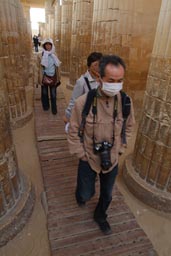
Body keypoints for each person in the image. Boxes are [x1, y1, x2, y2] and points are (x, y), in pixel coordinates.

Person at [67, 55, 135, 235]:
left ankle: (101, 216)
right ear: (99, 79)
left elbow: (128, 127)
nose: (116, 85)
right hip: (88, 157)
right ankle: (81, 194)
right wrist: (81, 154)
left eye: (120, 80)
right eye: (111, 80)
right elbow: (73, 131)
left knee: (107, 194)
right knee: (85, 193)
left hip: (112, 158)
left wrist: (120, 148)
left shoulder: (126, 102)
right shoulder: (84, 102)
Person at [63, 52, 103, 130]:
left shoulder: (103, 80)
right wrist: (67, 116)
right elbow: (74, 101)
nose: (99, 67)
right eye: (96, 65)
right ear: (89, 67)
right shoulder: (82, 82)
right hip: (87, 120)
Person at [40, 38, 61, 115]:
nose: (48, 46)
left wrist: (59, 78)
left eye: (49, 44)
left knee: (53, 94)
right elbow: (37, 67)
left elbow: (58, 67)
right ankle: (46, 107)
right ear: (44, 45)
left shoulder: (54, 55)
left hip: (53, 76)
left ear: (52, 45)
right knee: (44, 93)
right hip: (44, 77)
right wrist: (37, 80)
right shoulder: (41, 55)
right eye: (46, 44)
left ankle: (54, 109)